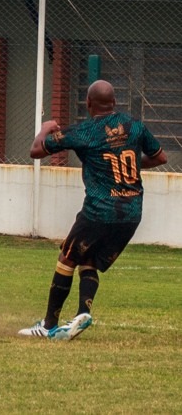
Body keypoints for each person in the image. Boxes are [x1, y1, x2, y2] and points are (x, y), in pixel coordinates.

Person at [18, 80, 166, 341]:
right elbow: (160, 157)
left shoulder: (84, 131)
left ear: (88, 103)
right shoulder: (135, 126)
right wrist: (125, 165)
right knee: (89, 260)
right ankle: (82, 313)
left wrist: (44, 129)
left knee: (67, 258)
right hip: (131, 213)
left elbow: (36, 151)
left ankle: (48, 325)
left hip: (99, 210)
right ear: (115, 102)